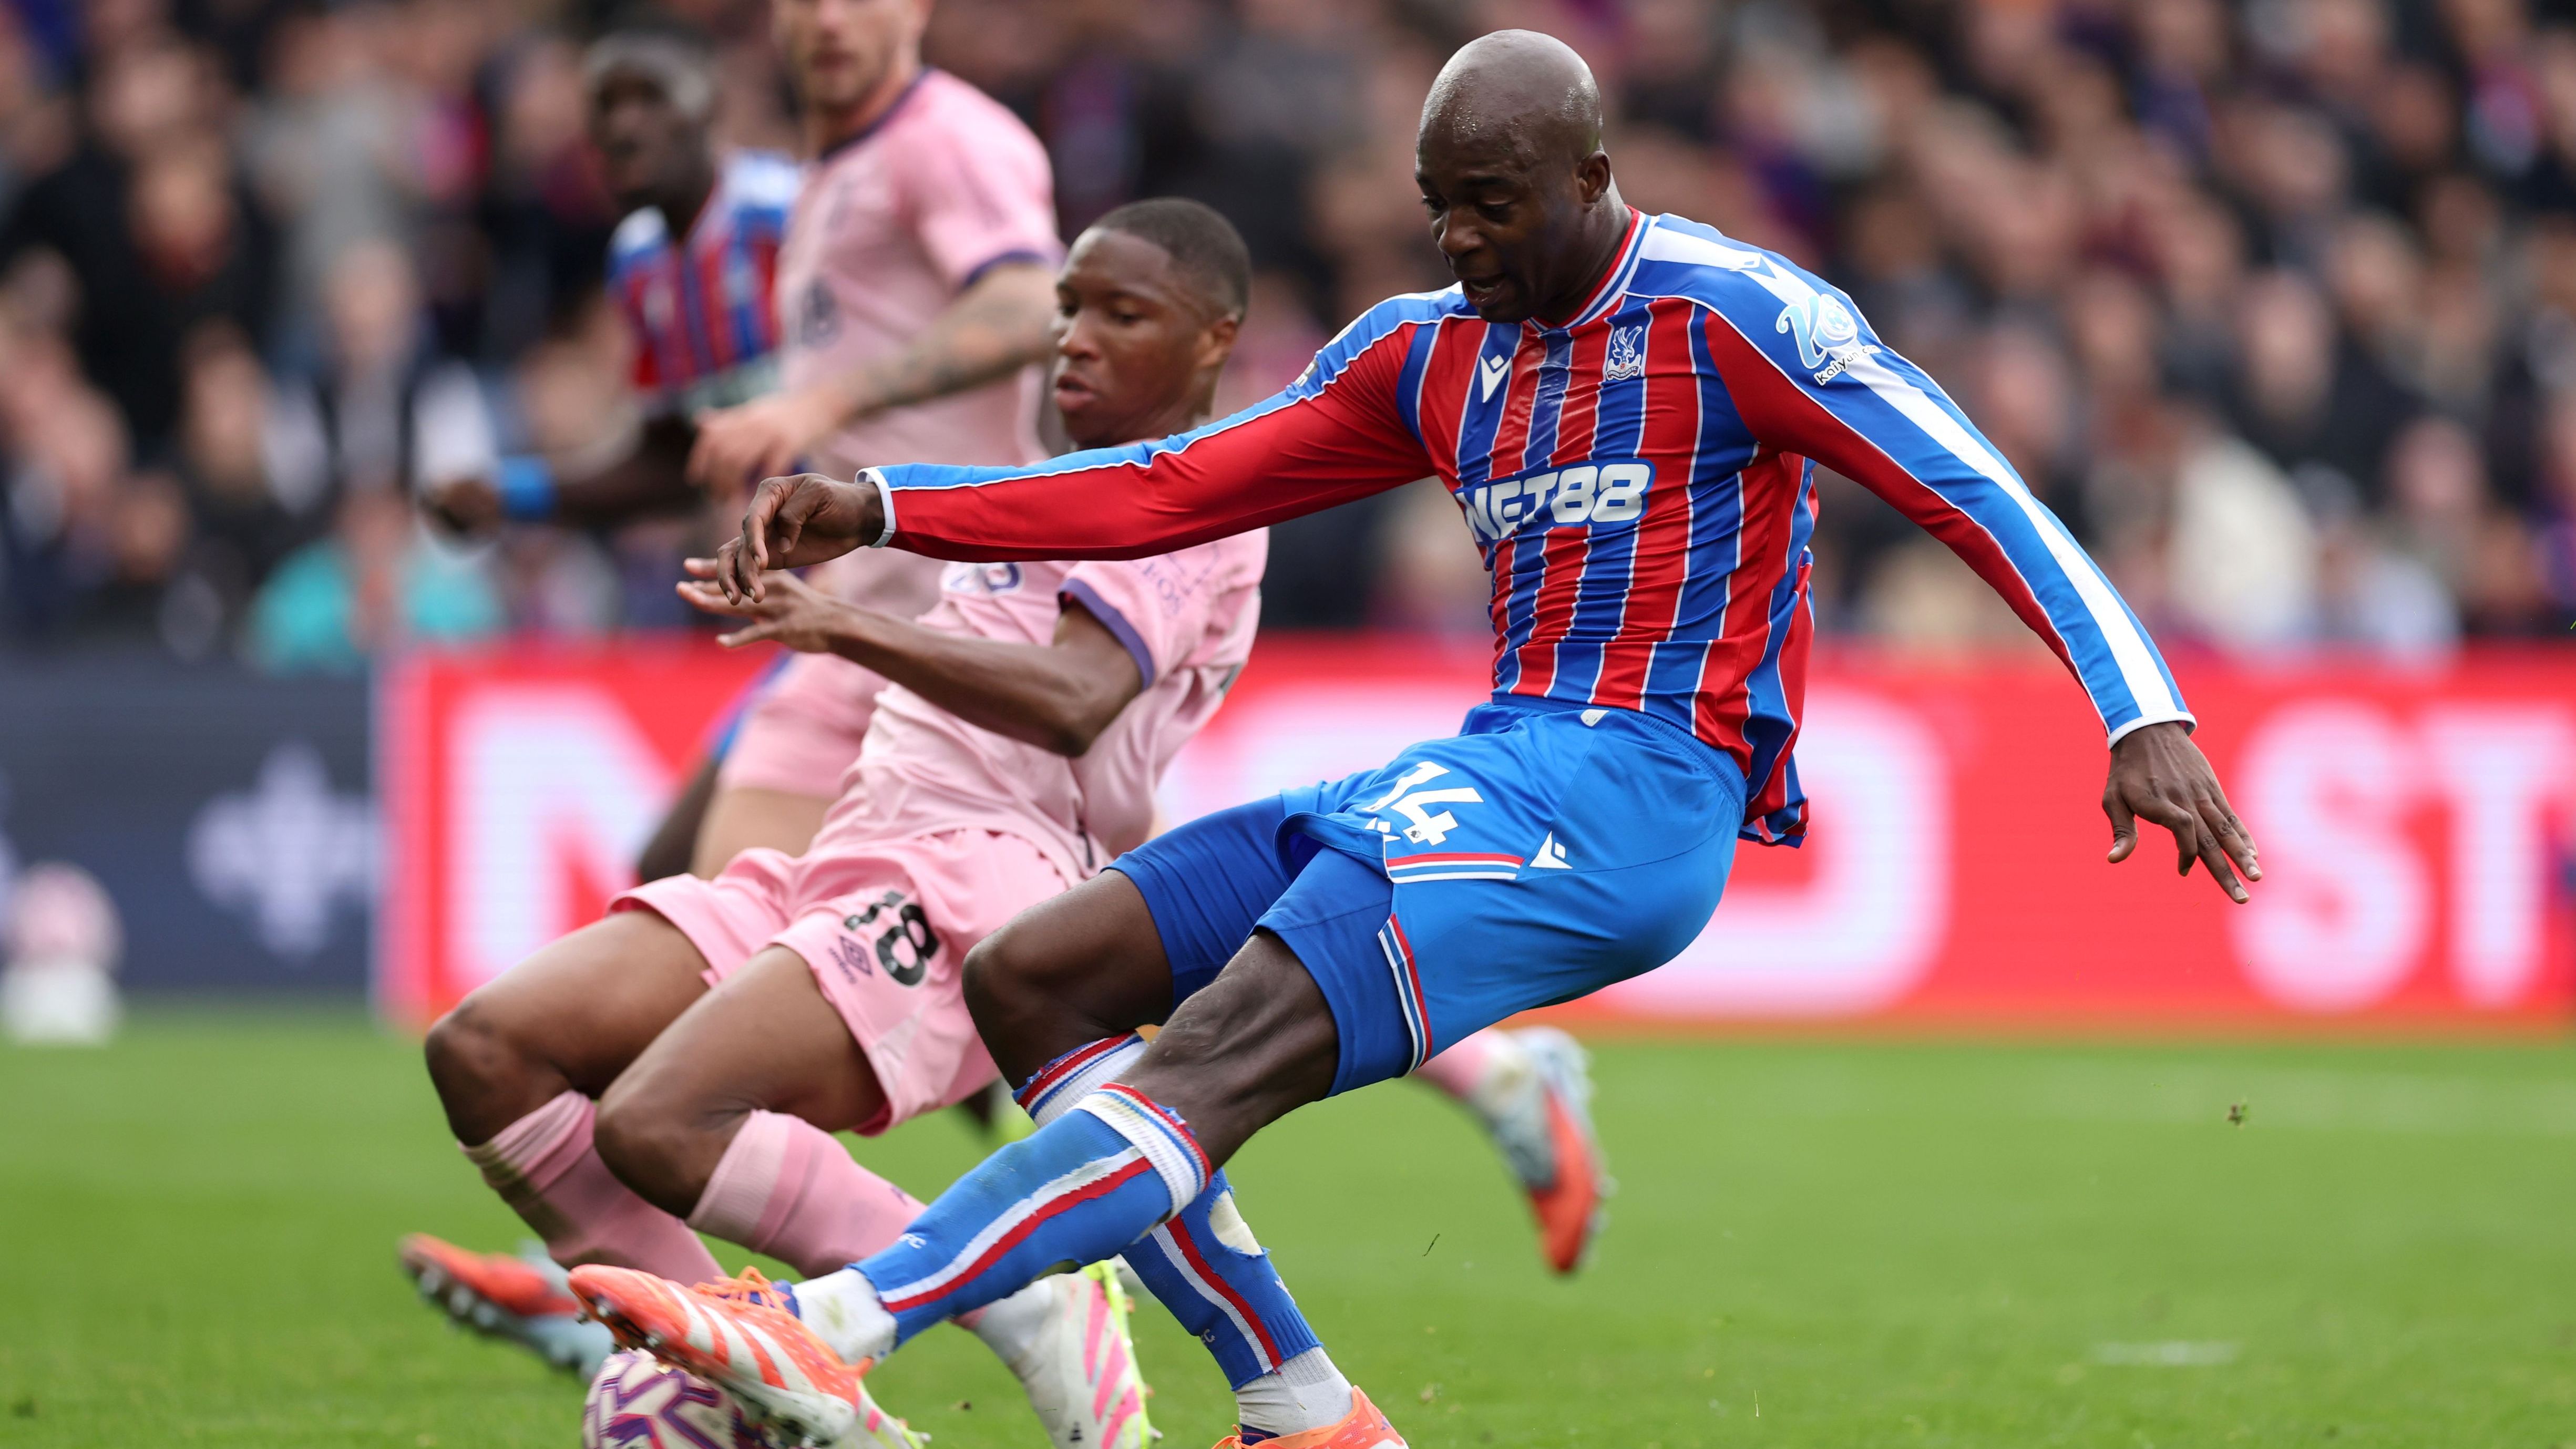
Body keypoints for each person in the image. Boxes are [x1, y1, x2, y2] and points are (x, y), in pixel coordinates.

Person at [568, 29, 2267, 1449]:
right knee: (1043, 972)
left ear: (1588, 176)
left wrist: (2139, 704)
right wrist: (887, 500)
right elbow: (1167, 486)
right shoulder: (1429, 353)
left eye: (1491, 205)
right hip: (1502, 754)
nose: (1457, 238)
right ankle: (1299, 1402)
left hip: (1637, 792)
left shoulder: (1735, 314)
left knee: (1216, 1049)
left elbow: (1971, 484)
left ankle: (837, 1320)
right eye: (1435, 206)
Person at [404, 198, 1257, 1449]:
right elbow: (910, 519)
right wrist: (843, 519)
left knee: (656, 1121)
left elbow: (1078, 701)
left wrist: (842, 620)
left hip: (982, 885)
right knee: (487, 1048)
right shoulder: (1043, 481)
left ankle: (1016, 1294)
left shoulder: (1191, 500)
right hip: (845, 852)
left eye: (1123, 313)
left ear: (1213, 343)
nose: (1073, 337)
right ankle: (748, 1372)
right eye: (1069, 307)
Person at [428, 7, 1064, 883]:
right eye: (603, 104)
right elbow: (675, 456)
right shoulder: (671, 254)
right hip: (843, 606)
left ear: (708, 108)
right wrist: (518, 497)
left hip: (960, 600)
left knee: (1080, 912)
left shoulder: (814, 194)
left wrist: (812, 409)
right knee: (703, 895)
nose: (623, 125)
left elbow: (1030, 308)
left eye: (648, 97)